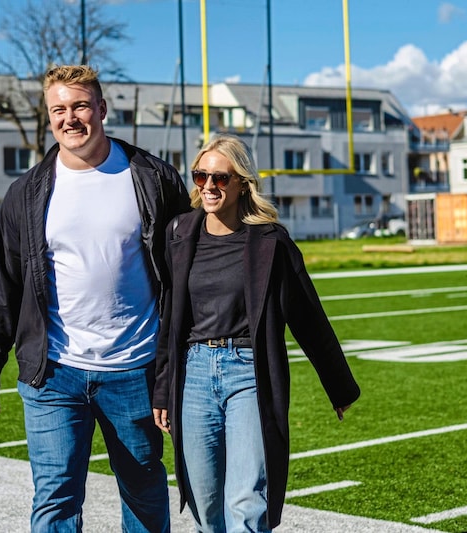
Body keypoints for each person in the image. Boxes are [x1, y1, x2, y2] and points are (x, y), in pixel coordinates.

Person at [0, 64, 191, 532]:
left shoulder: (152, 178)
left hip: (134, 369)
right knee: (55, 498)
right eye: (59, 109)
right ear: (49, 116)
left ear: (102, 109)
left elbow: (187, 269)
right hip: (53, 374)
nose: (70, 118)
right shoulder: (27, 192)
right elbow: (0, 283)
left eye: (80, 106)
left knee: (144, 494)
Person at [152, 134, 360, 532]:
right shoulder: (179, 233)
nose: (209, 187)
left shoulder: (270, 241)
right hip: (193, 374)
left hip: (248, 372)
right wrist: (163, 389)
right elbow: (169, 319)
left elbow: (309, 317)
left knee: (247, 502)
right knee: (205, 503)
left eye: (220, 178)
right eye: (201, 176)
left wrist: (339, 385)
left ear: (243, 182)